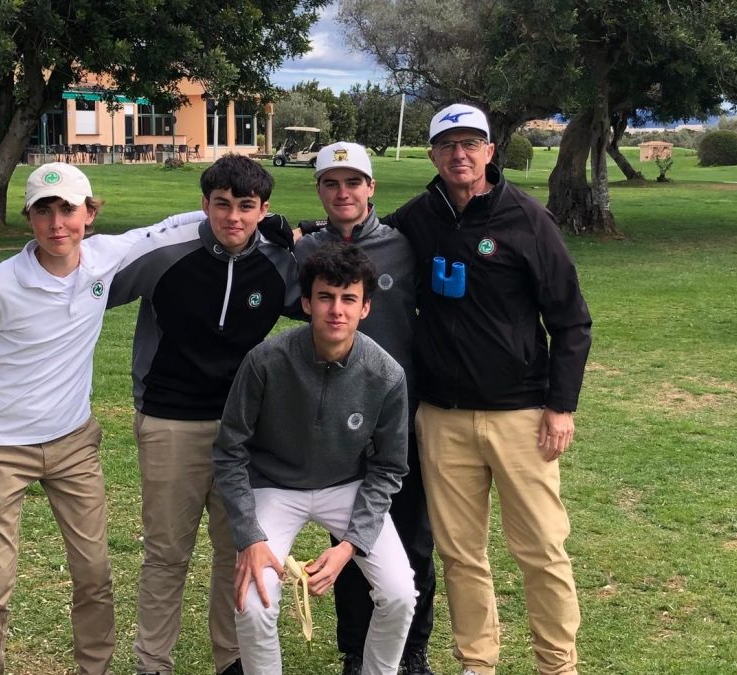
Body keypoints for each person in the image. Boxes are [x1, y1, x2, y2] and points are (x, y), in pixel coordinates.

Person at [0, 162, 171, 674]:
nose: (57, 223)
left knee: (93, 574)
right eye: (44, 210)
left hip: (74, 444)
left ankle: (94, 668)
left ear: (89, 214)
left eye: (68, 210)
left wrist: (265, 224)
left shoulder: (104, 258)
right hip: (2, 449)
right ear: (29, 218)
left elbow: (167, 229)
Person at [384, 104, 592, 675]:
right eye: (449, 145)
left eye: (472, 143)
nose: (460, 154)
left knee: (542, 552)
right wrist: (293, 233)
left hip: (521, 416)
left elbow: (571, 320)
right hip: (442, 417)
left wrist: (561, 406)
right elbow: (363, 244)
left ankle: (558, 665)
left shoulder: (527, 218)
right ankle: (479, 663)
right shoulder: (419, 217)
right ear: (433, 154)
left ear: (490, 152)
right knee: (459, 554)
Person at [105, 154, 300, 675]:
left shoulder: (281, 263)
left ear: (264, 209)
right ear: (205, 204)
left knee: (235, 550)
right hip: (169, 420)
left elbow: (337, 295)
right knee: (167, 552)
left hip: (242, 430)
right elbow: (86, 286)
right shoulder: (167, 252)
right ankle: (153, 662)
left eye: (246, 206)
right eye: (221, 205)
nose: (232, 217)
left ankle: (231, 659)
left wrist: (304, 238)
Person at [213, 243, 416, 675]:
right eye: (325, 297)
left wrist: (349, 547)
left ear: (365, 308)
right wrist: (249, 536)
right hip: (274, 487)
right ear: (307, 303)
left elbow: (388, 468)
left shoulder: (386, 375)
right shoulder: (265, 361)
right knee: (253, 603)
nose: (336, 310)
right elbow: (230, 452)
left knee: (399, 594)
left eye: (349, 299)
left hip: (346, 486)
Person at [294, 142, 436, 675]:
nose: (343, 192)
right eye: (331, 183)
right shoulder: (305, 253)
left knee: (415, 534)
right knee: (349, 535)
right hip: (337, 418)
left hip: (402, 412)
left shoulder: (403, 245)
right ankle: (357, 649)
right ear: (320, 191)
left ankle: (412, 648)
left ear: (371, 188)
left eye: (353, 182)